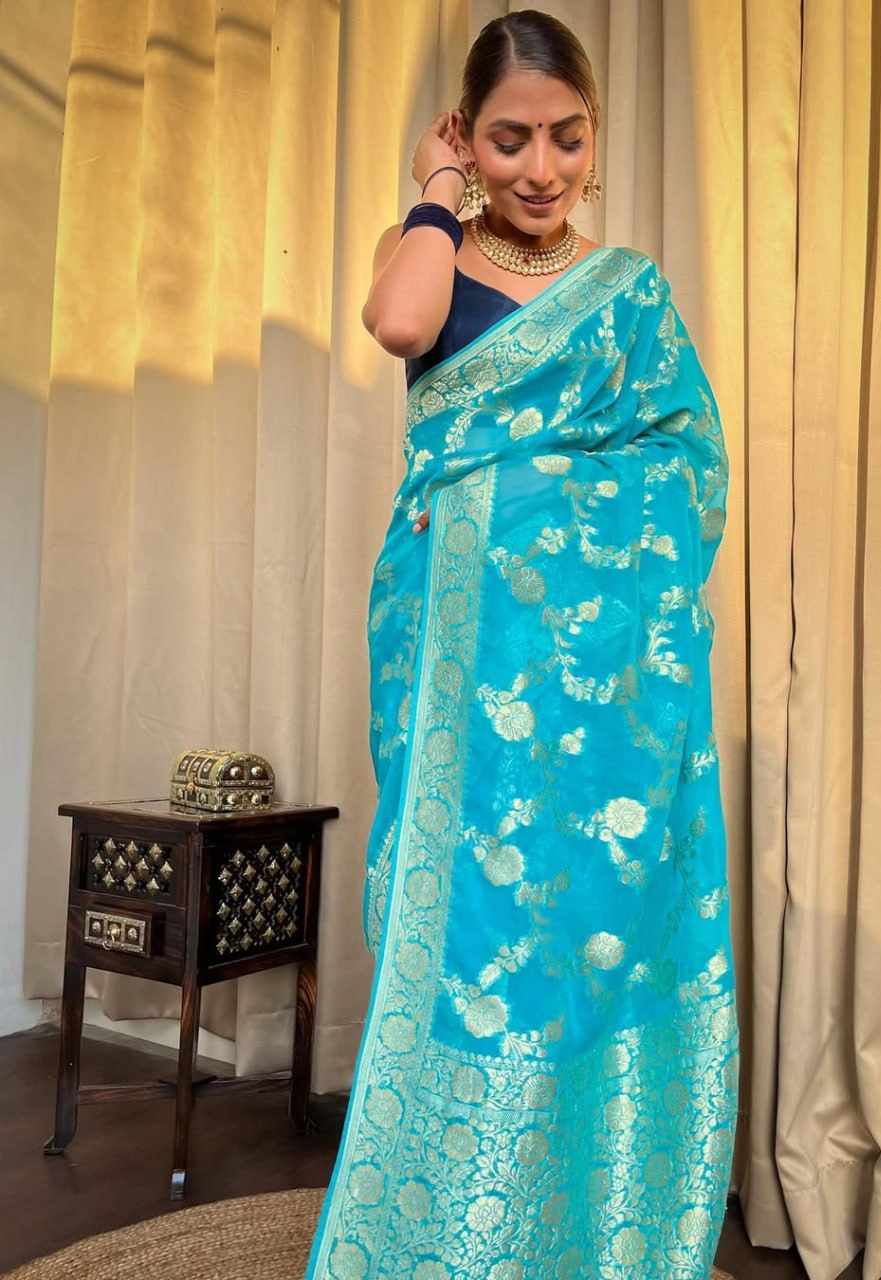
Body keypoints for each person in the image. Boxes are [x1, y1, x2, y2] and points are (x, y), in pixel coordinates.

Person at [306, 10, 738, 1278]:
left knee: (587, 922)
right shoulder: (428, 248)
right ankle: (448, 1229)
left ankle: (585, 1227)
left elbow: (689, 464)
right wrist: (436, 195)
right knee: (470, 920)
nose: (540, 170)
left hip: (602, 690)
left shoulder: (629, 293)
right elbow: (400, 326)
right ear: (466, 136)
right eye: (507, 140)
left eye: (566, 137)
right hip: (458, 657)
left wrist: (521, 496)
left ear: (594, 135)